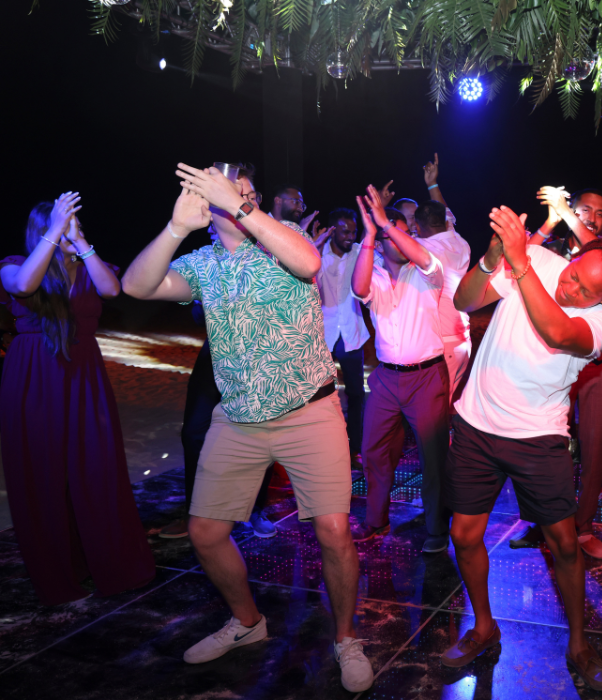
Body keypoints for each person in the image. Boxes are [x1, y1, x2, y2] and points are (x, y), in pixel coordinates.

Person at [121, 164, 371, 692]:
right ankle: (247, 624)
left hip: (310, 409)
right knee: (205, 533)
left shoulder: (284, 243)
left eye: (248, 194)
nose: (242, 200)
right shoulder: (204, 263)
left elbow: (306, 261)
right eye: (230, 196)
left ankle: (346, 637)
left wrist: (239, 204)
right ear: (209, 215)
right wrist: (174, 228)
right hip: (237, 417)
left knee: (333, 531)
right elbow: (135, 285)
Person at [442, 207, 602, 691]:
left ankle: (578, 643)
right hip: (476, 425)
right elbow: (466, 301)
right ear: (571, 258)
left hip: (539, 437)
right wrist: (492, 257)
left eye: (586, 291)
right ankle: (484, 627)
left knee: (565, 545)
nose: (570, 290)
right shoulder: (541, 261)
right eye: (572, 277)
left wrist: (519, 262)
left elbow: (557, 332)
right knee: (464, 534)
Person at [1, 194, 155, 606]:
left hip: (84, 375)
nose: (72, 229)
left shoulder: (87, 265)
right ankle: (59, 573)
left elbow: (112, 288)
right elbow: (22, 287)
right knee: (42, 475)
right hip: (34, 378)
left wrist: (82, 245)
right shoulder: (15, 265)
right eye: (63, 222)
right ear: (45, 227)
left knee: (96, 466)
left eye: (74, 222)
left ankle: (110, 564)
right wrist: (54, 231)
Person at [511, 187, 602, 559]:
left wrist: (567, 212)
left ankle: (584, 528)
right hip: (550, 360)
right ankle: (540, 523)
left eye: (601, 213)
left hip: (597, 369)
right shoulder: (551, 249)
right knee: (541, 442)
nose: (593, 216)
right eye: (586, 209)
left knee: (594, 447)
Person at [350, 187, 452, 553]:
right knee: (374, 451)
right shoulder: (374, 274)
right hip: (386, 379)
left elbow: (421, 257)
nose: (396, 236)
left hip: (426, 377)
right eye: (386, 232)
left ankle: (437, 529)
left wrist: (387, 226)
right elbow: (358, 288)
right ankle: (376, 521)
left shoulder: (427, 270)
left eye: (401, 230)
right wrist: (369, 236)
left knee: (433, 457)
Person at [158, 301, 278, 540]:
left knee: (260, 434)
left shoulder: (275, 264)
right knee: (194, 433)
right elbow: (196, 313)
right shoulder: (216, 264)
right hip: (216, 351)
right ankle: (196, 512)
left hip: (260, 355)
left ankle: (253, 510)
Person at [313, 208, 370, 463]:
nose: (350, 236)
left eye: (353, 231)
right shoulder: (315, 254)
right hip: (322, 335)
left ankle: (355, 448)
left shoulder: (360, 252)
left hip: (351, 333)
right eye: (344, 231)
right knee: (321, 396)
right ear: (333, 230)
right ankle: (323, 448)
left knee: (356, 395)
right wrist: (314, 246)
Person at [416, 157, 474, 403]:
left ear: (418, 227)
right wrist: (432, 185)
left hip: (443, 343)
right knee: (441, 403)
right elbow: (445, 215)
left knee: (436, 409)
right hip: (461, 338)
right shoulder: (459, 242)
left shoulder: (422, 248)